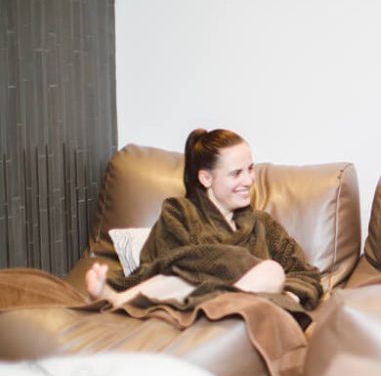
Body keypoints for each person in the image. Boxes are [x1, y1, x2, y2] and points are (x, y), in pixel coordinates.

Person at [85, 128, 322, 327]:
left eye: (250, 169)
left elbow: (305, 273)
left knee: (271, 272)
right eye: (237, 173)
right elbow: (166, 265)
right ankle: (117, 299)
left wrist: (286, 295)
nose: (249, 180)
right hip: (186, 303)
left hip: (241, 316)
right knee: (176, 278)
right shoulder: (179, 213)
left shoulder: (263, 225)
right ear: (206, 179)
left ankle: (220, 306)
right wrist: (231, 263)